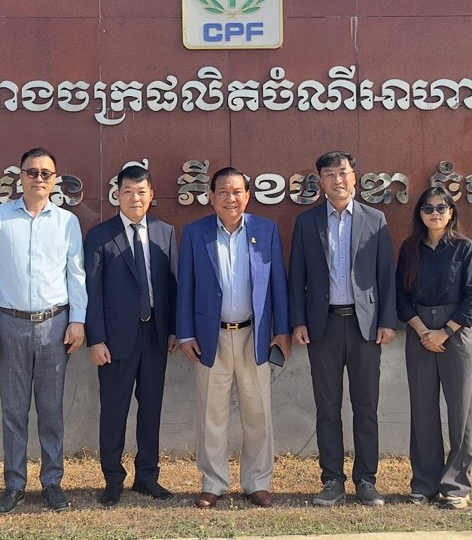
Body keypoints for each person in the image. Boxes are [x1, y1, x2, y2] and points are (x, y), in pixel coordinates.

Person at [0, 148, 87, 514]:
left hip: (55, 325)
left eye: (45, 173)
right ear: (20, 176)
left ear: (55, 179)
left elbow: (76, 275)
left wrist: (78, 320)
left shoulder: (67, 222)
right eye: (32, 172)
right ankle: (14, 484)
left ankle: (52, 482)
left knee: (51, 409)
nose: (39, 178)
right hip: (9, 324)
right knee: (14, 409)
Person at [176, 167, 292, 509]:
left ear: (248, 196)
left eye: (237, 191)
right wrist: (185, 333)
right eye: (223, 192)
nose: (231, 198)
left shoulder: (265, 230)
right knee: (211, 414)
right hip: (210, 337)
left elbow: (278, 283)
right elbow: (186, 286)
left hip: (254, 335)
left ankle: (257, 482)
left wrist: (282, 331)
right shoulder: (195, 233)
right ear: (211, 197)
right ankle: (213, 482)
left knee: (258, 413)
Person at [288, 151, 397, 507]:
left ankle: (366, 479)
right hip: (324, 327)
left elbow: (386, 274)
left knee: (366, 407)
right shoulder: (307, 222)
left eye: (343, 172)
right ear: (320, 181)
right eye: (330, 174)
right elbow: (297, 275)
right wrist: (298, 321)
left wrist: (387, 321)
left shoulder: (375, 220)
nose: (337, 180)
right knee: (327, 407)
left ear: (354, 177)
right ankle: (332, 479)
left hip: (365, 327)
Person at [84, 165, 178, 506]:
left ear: (151, 195)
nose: (134, 198)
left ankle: (147, 476)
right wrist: (96, 338)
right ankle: (113, 478)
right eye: (127, 191)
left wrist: (174, 330)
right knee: (114, 410)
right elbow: (92, 292)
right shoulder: (100, 235)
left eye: (141, 192)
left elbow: (172, 285)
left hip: (155, 335)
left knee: (151, 408)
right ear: (117, 195)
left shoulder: (165, 232)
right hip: (115, 340)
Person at [395, 185, 472, 510]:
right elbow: (400, 295)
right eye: (428, 208)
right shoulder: (410, 249)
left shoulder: (464, 249)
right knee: (422, 410)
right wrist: (423, 331)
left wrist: (444, 332)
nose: (435, 213)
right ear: (420, 214)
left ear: (451, 213)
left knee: (461, 411)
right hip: (419, 332)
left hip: (455, 334)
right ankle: (424, 483)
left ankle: (456, 486)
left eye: (441, 208)